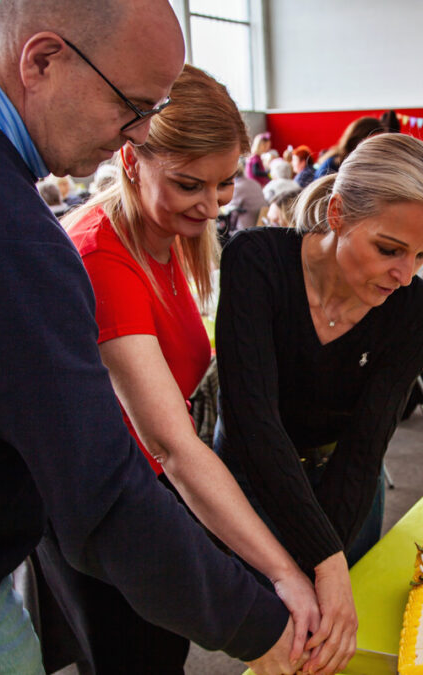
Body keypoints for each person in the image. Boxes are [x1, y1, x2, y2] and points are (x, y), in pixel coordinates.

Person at [0, 1, 300, 673]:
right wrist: (261, 625)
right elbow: (102, 491)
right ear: (44, 59)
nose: (136, 132)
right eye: (132, 106)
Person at [43, 64, 322, 674]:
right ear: (131, 156)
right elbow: (170, 443)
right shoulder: (102, 256)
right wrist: (282, 571)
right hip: (103, 504)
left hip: (145, 488)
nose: (212, 204)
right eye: (190, 184)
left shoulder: (170, 233)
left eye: (224, 184)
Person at [214, 133, 423, 675]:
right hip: (251, 483)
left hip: (344, 486)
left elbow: (366, 446)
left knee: (338, 638)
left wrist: (331, 562)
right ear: (340, 214)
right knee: (273, 643)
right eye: (389, 249)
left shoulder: (414, 310)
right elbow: (254, 423)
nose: (405, 274)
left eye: (422, 255)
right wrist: (321, 561)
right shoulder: (257, 262)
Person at [314, 116, 385, 178]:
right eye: (370, 143)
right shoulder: (332, 165)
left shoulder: (371, 165)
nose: (376, 149)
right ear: (354, 141)